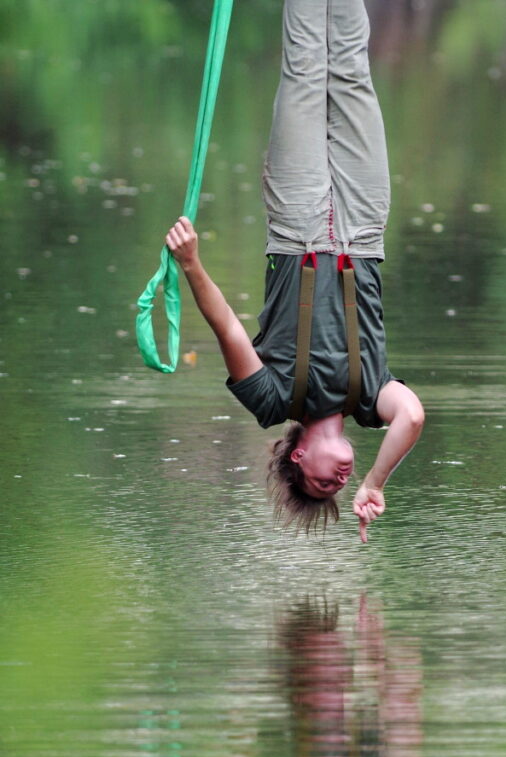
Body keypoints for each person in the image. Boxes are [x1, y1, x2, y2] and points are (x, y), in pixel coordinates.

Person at [165, 0, 424, 543]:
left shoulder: (272, 402)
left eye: (322, 485)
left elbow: (228, 329)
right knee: (351, 66)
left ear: (299, 455)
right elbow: (414, 418)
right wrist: (375, 484)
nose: (339, 481)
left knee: (307, 66)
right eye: (339, 488)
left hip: (299, 223)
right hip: (363, 225)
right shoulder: (374, 400)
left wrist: (192, 266)